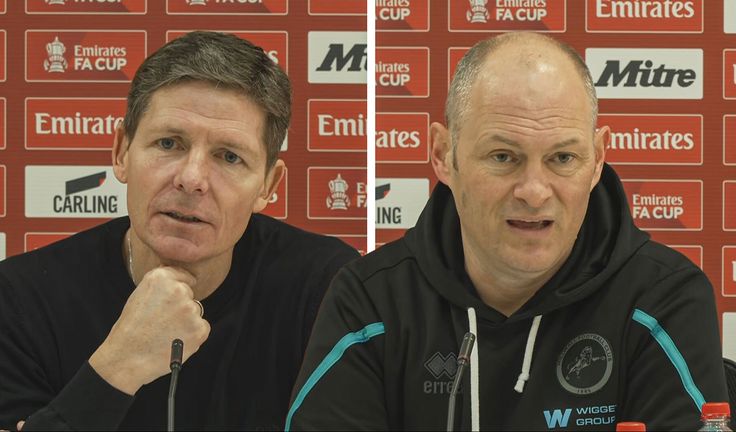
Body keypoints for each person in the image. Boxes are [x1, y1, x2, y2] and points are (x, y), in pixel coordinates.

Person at [286, 32, 727, 430]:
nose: (534, 192)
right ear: (443, 155)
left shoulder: (664, 299)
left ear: (596, 159)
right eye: (503, 157)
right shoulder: (370, 301)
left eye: (562, 158)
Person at [0, 31, 359, 431]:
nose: (192, 179)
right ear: (121, 152)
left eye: (229, 157)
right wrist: (119, 364)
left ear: (268, 185)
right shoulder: (25, 294)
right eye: (169, 143)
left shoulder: (328, 286)